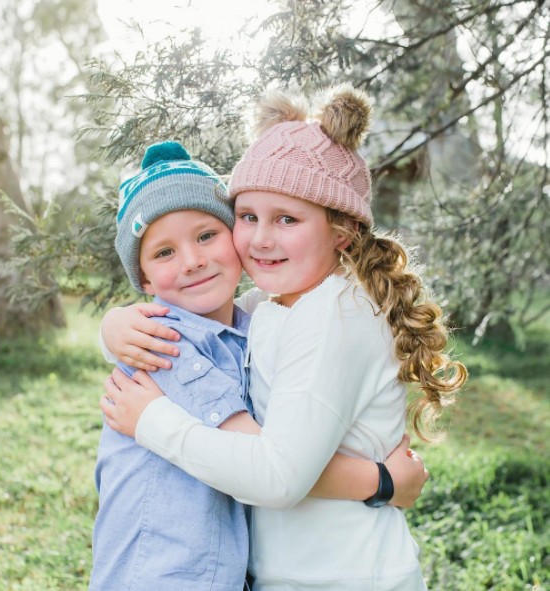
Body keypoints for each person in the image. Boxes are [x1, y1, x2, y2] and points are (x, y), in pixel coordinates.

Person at [100, 84, 462, 590]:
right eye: (247, 217)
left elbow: (277, 474)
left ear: (342, 230)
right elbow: (201, 323)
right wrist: (115, 324)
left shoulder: (334, 315)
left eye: (286, 219)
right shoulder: (272, 308)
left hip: (347, 575)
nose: (261, 239)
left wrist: (151, 422)